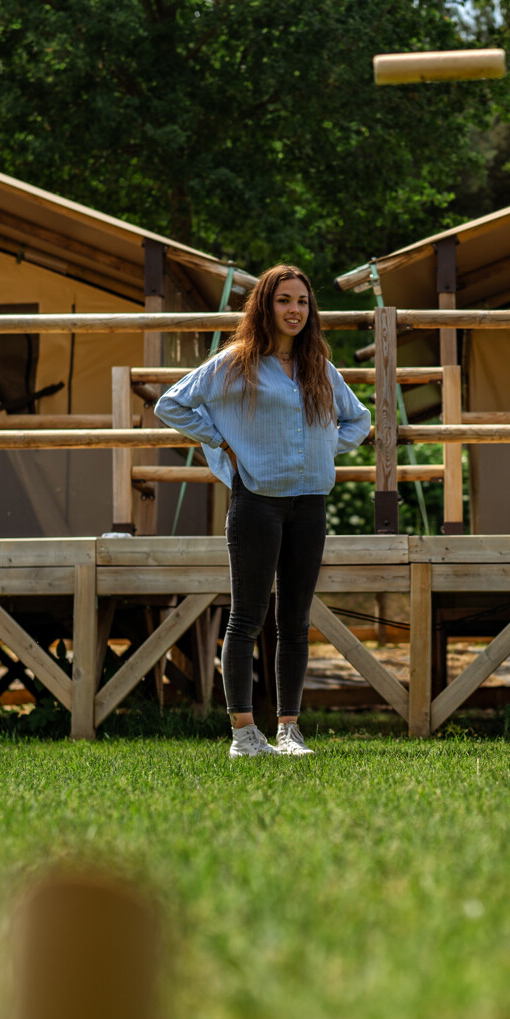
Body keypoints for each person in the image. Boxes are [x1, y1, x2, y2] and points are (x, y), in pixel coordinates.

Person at [155, 264, 372, 758]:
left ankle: (289, 731)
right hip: (256, 502)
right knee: (247, 619)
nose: (295, 310)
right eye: (284, 300)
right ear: (265, 306)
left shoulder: (319, 366)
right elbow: (171, 405)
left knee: (294, 621)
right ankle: (244, 734)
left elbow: (359, 420)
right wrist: (221, 442)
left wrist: (321, 447)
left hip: (310, 503)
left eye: (302, 301)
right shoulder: (235, 363)